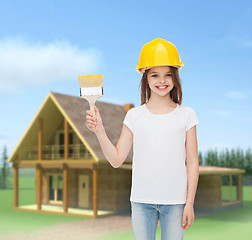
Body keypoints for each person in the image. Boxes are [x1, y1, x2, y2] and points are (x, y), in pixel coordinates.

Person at [85, 38, 199, 240]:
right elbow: (117, 159)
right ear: (145, 77)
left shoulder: (186, 115)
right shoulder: (134, 116)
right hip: (141, 200)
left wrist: (189, 203)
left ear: (175, 77)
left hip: (176, 201)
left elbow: (192, 162)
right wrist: (99, 130)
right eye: (155, 74)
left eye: (167, 75)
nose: (161, 81)